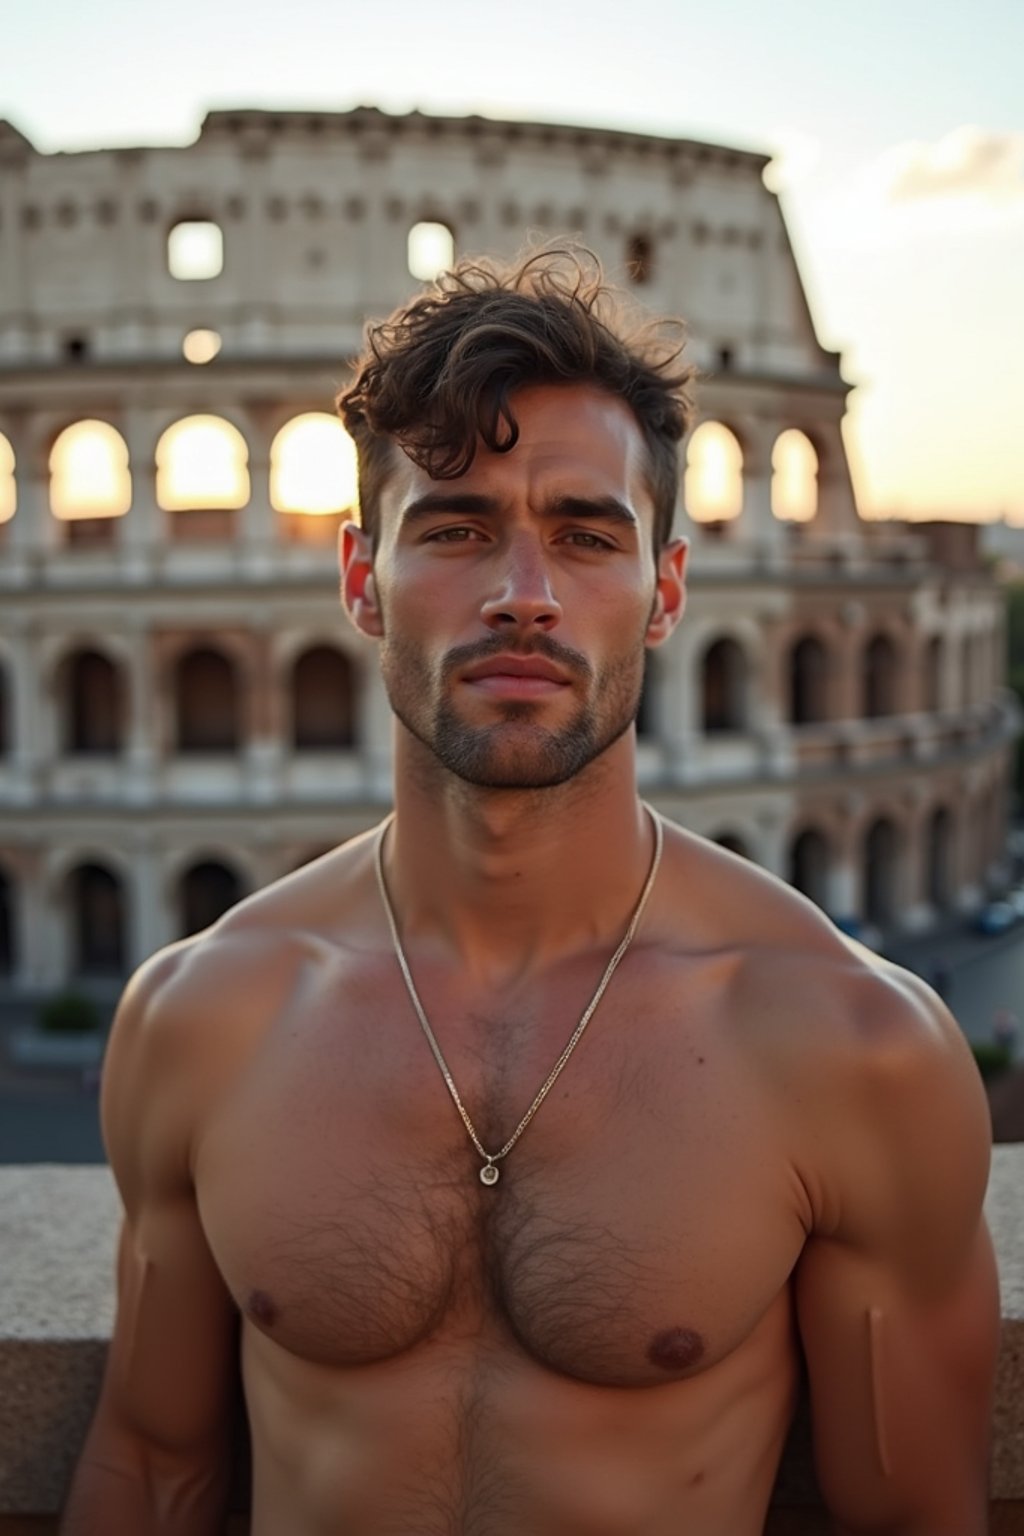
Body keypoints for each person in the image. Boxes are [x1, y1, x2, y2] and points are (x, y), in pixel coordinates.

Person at [62, 247, 999, 1536]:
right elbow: (154, 1469)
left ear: (664, 592)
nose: (524, 596)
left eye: (586, 536)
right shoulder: (202, 1017)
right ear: (359, 579)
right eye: (454, 529)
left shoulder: (854, 1048)